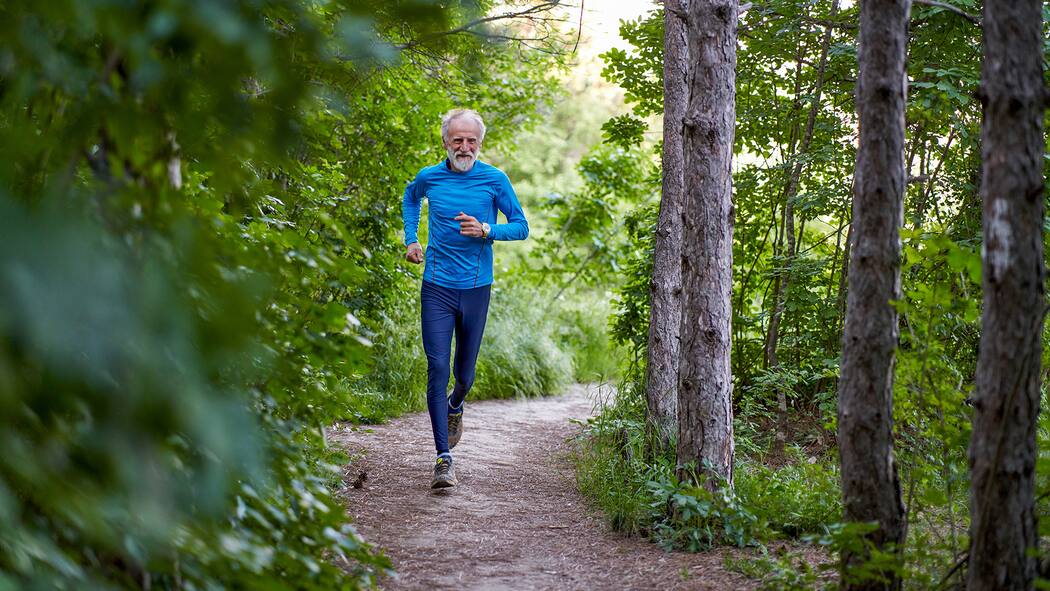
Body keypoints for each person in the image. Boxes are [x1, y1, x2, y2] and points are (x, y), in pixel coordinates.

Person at [401, 108, 529, 489]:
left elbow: (521, 227)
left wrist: (487, 229)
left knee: (464, 376)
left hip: (476, 290)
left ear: (480, 143)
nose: (464, 147)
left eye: (471, 140)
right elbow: (410, 198)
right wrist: (411, 239)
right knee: (437, 367)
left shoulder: (494, 179)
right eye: (457, 139)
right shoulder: (430, 177)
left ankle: (456, 403)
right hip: (436, 287)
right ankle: (443, 458)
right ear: (445, 141)